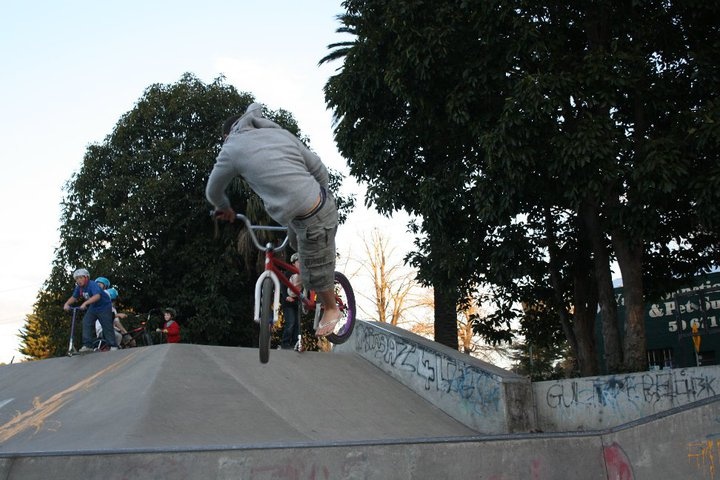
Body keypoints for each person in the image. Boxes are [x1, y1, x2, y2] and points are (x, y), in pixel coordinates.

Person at [206, 102, 341, 337]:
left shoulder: (231, 148)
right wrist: (317, 196)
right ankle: (301, 276)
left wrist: (224, 208)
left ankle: (331, 308)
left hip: (314, 217)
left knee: (316, 272)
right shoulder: (279, 134)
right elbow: (319, 169)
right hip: (309, 210)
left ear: (227, 136)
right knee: (294, 243)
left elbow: (213, 191)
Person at [63, 268, 118, 352]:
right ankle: (87, 345)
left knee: (106, 325)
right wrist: (67, 304)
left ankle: (113, 345)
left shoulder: (92, 284)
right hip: (94, 307)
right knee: (86, 322)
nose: (79, 280)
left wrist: (85, 303)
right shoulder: (79, 288)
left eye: (81, 278)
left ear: (86, 278)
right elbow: (74, 297)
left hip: (104, 306)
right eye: (77, 278)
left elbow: (97, 296)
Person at [280, 253, 302, 350]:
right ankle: (285, 343)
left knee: (297, 324)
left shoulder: (302, 275)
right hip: (288, 302)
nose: (301, 263)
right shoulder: (288, 273)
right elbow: (283, 286)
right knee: (291, 322)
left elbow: (306, 289)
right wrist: (286, 297)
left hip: (297, 303)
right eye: (298, 262)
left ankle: (295, 343)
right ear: (293, 263)